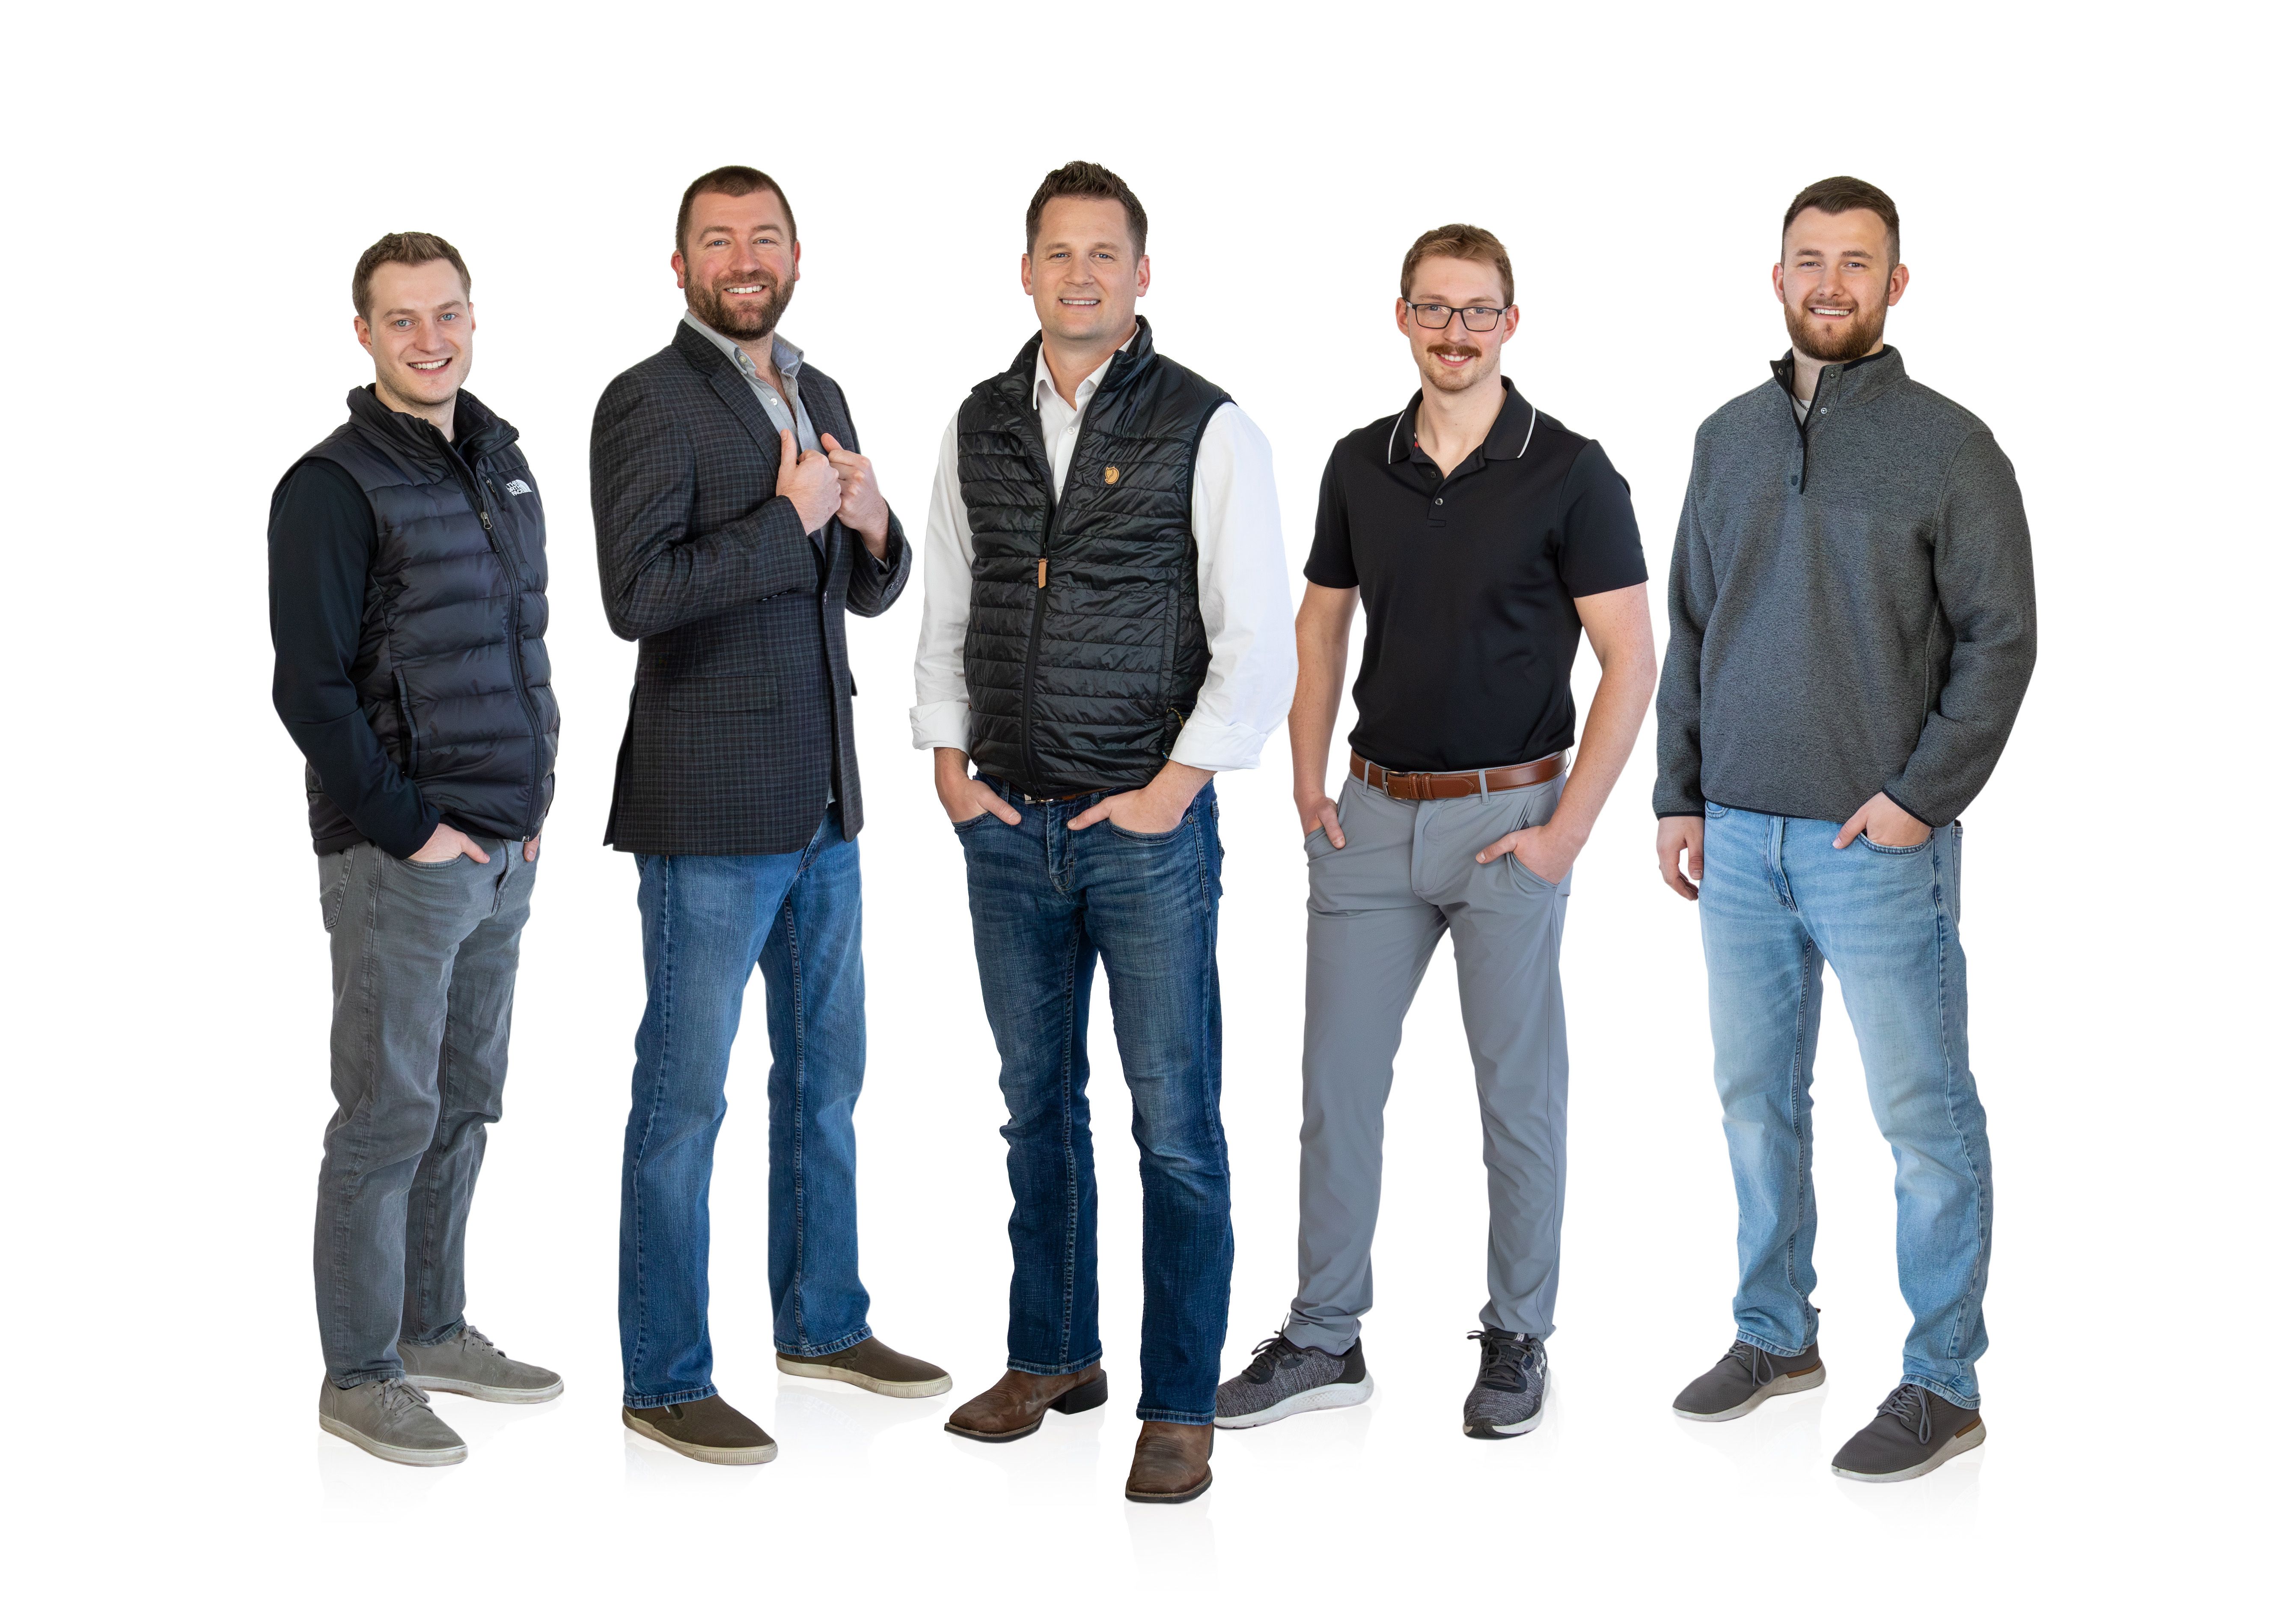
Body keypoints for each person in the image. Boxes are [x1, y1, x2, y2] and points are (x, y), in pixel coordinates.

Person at [1213, 225, 1656, 1442]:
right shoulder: (1361, 464)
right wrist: (1308, 782)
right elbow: (1320, 628)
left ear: (1511, 322)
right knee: (1334, 1091)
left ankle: (1517, 1334)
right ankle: (1323, 1334)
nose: (1454, 331)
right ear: (1399, 316)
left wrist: (1563, 834)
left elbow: (1631, 661)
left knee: (1517, 1097)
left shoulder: (1570, 471)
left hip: (1510, 820)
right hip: (1367, 819)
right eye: (1433, 309)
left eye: (1478, 311)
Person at [911, 160, 1295, 1503]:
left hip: (1143, 832)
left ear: (1143, 277)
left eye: (1104, 256)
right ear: (1025, 273)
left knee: (1175, 1125)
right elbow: (948, 598)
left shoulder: (1209, 425)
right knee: (1034, 1111)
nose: (1079, 276)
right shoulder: (977, 420)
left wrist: (1175, 789)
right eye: (1057, 255)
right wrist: (950, 767)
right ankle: (1051, 1355)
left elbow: (1257, 636)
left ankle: (1177, 1398)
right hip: (1008, 823)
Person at [1654, 177, 2037, 1483]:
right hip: (1738, 839)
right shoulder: (1722, 438)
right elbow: (1693, 627)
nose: (1829, 282)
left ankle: (1941, 1380)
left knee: (1921, 1113)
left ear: (1894, 285)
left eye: (1855, 263)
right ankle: (1775, 1334)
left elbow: (2000, 641)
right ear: (1775, 278)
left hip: (1878, 845)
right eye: (1807, 260)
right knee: (1754, 1101)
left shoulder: (1950, 446)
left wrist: (1921, 796)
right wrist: (1676, 792)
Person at [592, 165, 942, 1467]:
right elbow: (637, 594)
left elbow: (860, 591)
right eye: (717, 240)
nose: (744, 257)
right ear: (678, 264)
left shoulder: (820, 389)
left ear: (796, 252)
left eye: (765, 236)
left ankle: (821, 1322)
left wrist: (868, 517)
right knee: (684, 1103)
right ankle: (666, 1376)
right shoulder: (645, 400)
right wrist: (781, 513)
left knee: (826, 1081)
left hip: (825, 810)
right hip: (706, 813)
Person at [270, 232, 563, 1468]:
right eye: (402, 320)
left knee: (465, 1100)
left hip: (506, 847)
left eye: (447, 314)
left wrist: (528, 803)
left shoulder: (499, 462)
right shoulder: (331, 486)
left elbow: (518, 644)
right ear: (365, 335)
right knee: (388, 1111)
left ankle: (433, 1326)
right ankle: (361, 1370)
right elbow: (309, 689)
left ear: (473, 319)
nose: (430, 338)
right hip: (402, 858)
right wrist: (411, 825)